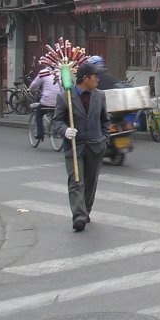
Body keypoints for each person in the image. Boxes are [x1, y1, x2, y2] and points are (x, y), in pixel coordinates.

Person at [51, 62, 110, 232]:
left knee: (91, 182)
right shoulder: (65, 97)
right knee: (76, 181)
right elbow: (57, 121)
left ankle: (86, 210)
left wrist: (104, 139)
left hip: (95, 146)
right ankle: (79, 216)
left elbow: (105, 120)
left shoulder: (100, 96)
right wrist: (65, 130)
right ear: (85, 78)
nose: (97, 80)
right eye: (95, 76)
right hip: (74, 146)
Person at [29, 68, 63, 141]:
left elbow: (34, 84)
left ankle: (40, 134)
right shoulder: (60, 72)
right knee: (57, 113)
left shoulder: (44, 73)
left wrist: (30, 89)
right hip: (59, 100)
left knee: (39, 114)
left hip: (47, 100)